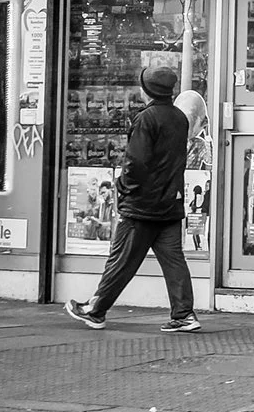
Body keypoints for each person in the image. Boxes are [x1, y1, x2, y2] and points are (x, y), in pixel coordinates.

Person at [64, 64, 200, 333]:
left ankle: (95, 310)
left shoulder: (145, 119)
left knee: (122, 260)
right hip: (170, 204)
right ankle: (184, 314)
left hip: (141, 206)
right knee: (174, 261)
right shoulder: (179, 118)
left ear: (147, 90)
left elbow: (135, 162)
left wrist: (123, 189)